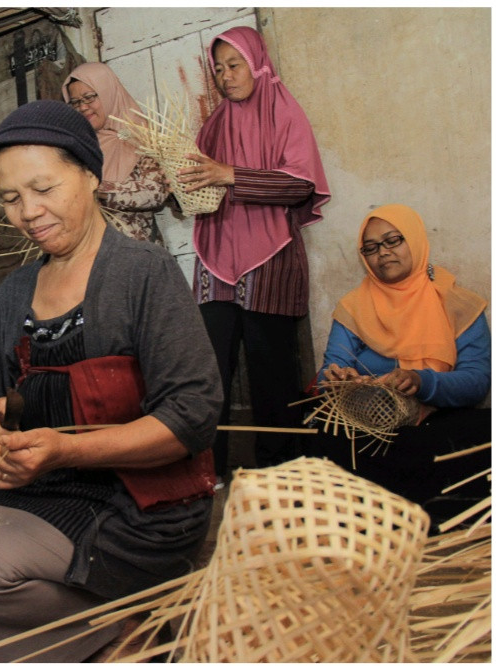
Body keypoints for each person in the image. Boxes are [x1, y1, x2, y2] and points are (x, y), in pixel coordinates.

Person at [0, 100, 223, 662]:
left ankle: (118, 633)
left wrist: (65, 449)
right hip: (40, 488)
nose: (28, 212)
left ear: (89, 175)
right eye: (12, 198)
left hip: (134, 508)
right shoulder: (16, 291)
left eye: (44, 189)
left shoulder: (144, 273)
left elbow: (193, 416)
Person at [175, 26, 331, 476]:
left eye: (234, 64)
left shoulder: (284, 109)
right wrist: (180, 179)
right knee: (207, 373)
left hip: (270, 254)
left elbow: (301, 183)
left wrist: (231, 175)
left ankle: (281, 472)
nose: (226, 76)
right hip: (216, 257)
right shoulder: (213, 124)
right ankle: (209, 473)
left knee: (273, 374)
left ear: (256, 62)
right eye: (219, 68)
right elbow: (196, 183)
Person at [309, 204, 490, 526]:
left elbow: (477, 380)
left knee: (482, 434)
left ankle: (429, 523)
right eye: (372, 247)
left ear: (416, 241)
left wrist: (422, 382)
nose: (383, 253)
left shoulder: (459, 304)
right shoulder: (353, 307)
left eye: (394, 240)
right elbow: (331, 368)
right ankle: (371, 524)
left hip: (438, 416)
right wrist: (338, 379)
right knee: (319, 428)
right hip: (374, 421)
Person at [62, 62, 170, 245]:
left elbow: (155, 193)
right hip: (94, 257)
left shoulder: (142, 135)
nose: (82, 107)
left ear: (107, 92)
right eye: (75, 102)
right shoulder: (78, 149)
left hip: (141, 255)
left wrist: (100, 190)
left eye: (89, 97)